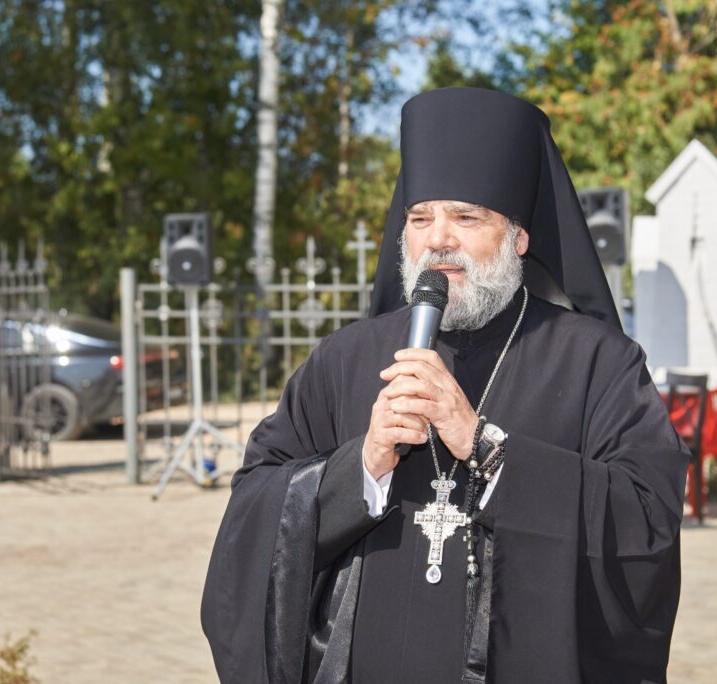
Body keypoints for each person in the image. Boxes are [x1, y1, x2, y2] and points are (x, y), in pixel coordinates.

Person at [202, 87, 689, 683]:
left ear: (518, 238)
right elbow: (255, 507)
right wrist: (363, 466)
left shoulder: (599, 362)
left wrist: (485, 446)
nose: (438, 239)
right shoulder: (343, 359)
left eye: (465, 217)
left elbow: (646, 521)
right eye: (420, 218)